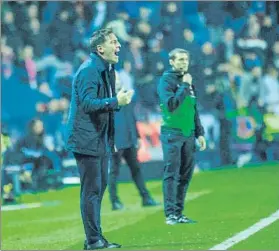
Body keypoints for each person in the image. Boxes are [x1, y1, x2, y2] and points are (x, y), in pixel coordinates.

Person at [65, 28, 134, 250]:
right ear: (100, 48)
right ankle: (93, 240)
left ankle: (95, 238)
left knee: (99, 188)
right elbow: (87, 103)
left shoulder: (106, 69)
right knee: (92, 190)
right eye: (113, 42)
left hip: (98, 138)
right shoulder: (89, 70)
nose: (119, 45)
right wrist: (116, 101)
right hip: (86, 140)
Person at [157, 48, 206, 225]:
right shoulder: (166, 81)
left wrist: (200, 133)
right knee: (172, 174)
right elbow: (171, 105)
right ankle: (170, 215)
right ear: (171, 61)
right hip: (172, 133)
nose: (183, 63)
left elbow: (193, 109)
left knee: (185, 175)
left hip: (188, 134)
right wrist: (185, 85)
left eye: (185, 59)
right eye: (179, 60)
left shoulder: (187, 81)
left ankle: (178, 213)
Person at [108, 72, 160, 211]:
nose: (117, 81)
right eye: (115, 78)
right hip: (116, 140)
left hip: (129, 139)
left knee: (136, 169)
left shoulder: (125, 95)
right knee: (114, 171)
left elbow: (131, 117)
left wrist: (136, 137)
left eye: (118, 78)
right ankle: (115, 201)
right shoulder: (107, 98)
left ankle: (146, 197)